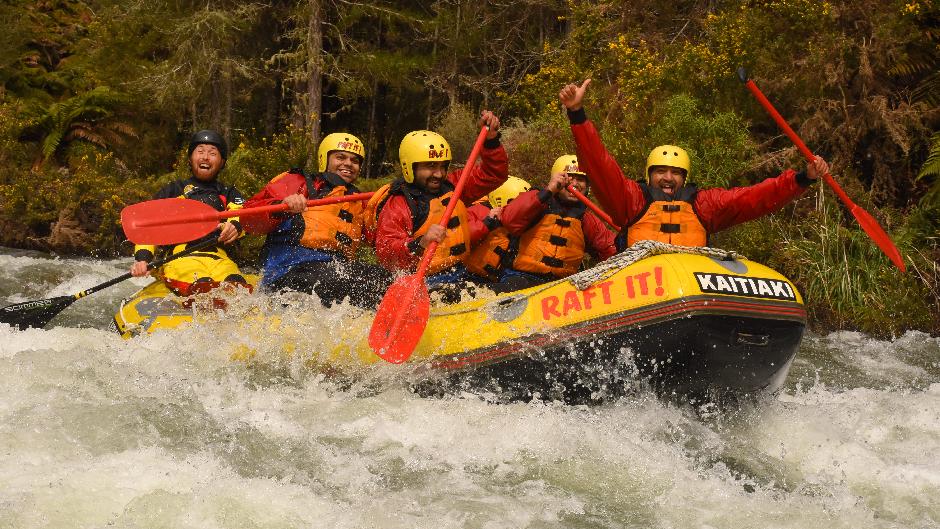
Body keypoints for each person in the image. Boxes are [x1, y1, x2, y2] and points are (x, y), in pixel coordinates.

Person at [558, 79, 829, 248]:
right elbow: (599, 163)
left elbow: (753, 198)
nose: (667, 178)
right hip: (644, 286)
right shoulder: (631, 199)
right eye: (661, 172)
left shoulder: (703, 204)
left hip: (690, 285)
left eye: (675, 173)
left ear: (684, 178)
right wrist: (577, 113)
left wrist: (803, 178)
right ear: (649, 175)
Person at [241, 132, 393, 309]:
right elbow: (248, 218)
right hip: (289, 271)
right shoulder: (299, 182)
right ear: (325, 159)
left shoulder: (359, 201)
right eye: (340, 157)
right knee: (341, 280)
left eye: (354, 160)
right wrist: (281, 205)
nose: (348, 164)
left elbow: (383, 241)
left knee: (386, 279)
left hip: (334, 271)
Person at [371, 111, 509, 298]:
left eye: (442, 166)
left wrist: (491, 140)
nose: (438, 174)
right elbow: (387, 254)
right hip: (423, 284)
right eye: (430, 167)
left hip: (461, 273)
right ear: (410, 167)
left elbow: (494, 174)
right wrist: (420, 243)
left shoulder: (455, 186)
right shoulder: (399, 204)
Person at [130, 129, 251, 298]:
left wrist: (236, 226)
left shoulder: (229, 192)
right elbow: (151, 227)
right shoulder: (172, 190)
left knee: (236, 284)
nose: (205, 157)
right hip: (180, 257)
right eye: (200, 151)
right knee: (203, 284)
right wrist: (143, 258)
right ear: (190, 159)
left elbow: (243, 214)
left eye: (212, 153)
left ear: (222, 162)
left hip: (220, 257)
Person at [493, 155, 617, 293]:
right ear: (557, 178)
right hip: (521, 278)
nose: (575, 184)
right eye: (569, 178)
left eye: (581, 179)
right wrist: (549, 190)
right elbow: (510, 219)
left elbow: (610, 248)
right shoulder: (537, 200)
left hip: (563, 285)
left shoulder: (586, 218)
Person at [465, 176, 531, 283]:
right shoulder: (477, 211)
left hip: (495, 280)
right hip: (467, 275)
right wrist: (487, 223)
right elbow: (464, 238)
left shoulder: (520, 224)